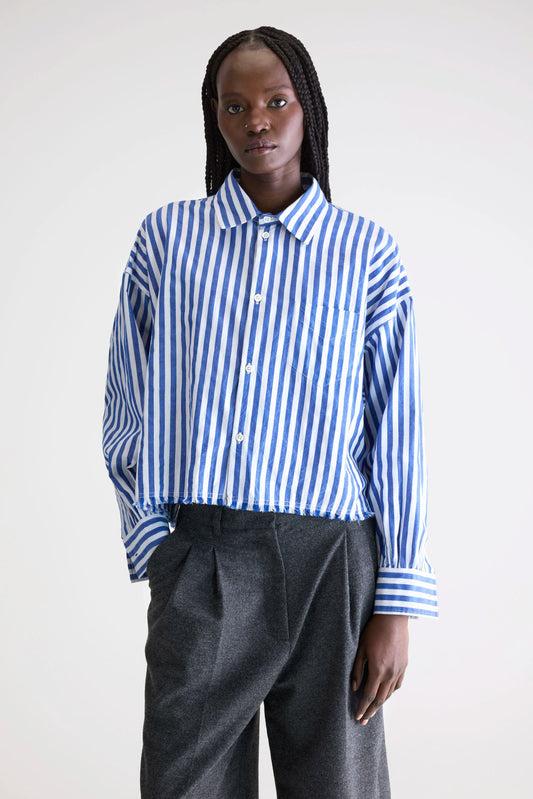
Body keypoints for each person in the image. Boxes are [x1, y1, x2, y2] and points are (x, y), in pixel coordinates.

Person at [102, 25, 438, 799]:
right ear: (214, 119)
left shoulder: (365, 253)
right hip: (205, 551)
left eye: (276, 101)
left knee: (336, 786)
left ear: (306, 108)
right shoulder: (167, 240)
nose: (256, 120)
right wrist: (157, 540)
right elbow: (127, 393)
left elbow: (396, 428)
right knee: (184, 783)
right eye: (234, 105)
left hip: (333, 562)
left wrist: (395, 600)